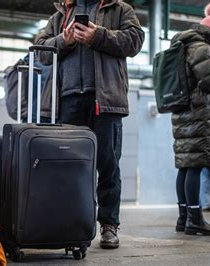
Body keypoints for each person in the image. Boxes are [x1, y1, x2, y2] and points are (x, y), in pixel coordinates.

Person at [36, 0, 144, 249]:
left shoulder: (120, 10)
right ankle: (71, 224)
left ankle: (109, 225)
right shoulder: (60, 15)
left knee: (108, 166)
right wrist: (64, 41)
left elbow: (135, 41)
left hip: (104, 102)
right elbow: (40, 50)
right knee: (70, 169)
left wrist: (99, 36)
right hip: (68, 101)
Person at [172, 2, 210, 236]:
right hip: (198, 115)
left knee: (185, 166)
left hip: (182, 111)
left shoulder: (182, 44)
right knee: (195, 166)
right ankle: (195, 220)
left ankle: (184, 218)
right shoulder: (201, 47)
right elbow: (207, 82)